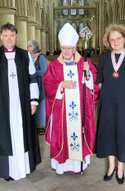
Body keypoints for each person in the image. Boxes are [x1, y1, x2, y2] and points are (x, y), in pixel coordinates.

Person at [0, 23, 41, 181]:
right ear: (1, 37)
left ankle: (24, 167)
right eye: (6, 35)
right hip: (2, 106)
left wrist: (33, 100)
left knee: (23, 133)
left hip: (22, 104)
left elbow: (32, 78)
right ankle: (7, 170)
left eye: (12, 35)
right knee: (4, 135)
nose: (9, 38)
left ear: (17, 37)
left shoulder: (24, 55)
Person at [42, 23, 99, 175]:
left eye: (69, 48)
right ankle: (61, 165)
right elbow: (47, 83)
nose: (66, 51)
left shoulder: (84, 63)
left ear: (75, 48)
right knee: (62, 136)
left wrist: (88, 74)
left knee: (77, 135)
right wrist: (61, 84)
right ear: (60, 48)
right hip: (61, 111)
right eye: (64, 48)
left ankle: (77, 164)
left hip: (79, 110)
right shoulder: (54, 66)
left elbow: (95, 83)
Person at [95, 25, 125, 185]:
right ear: (108, 42)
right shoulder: (105, 59)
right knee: (108, 134)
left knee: (121, 133)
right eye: (111, 39)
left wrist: (124, 100)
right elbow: (100, 81)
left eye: (118, 38)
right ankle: (111, 166)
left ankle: (120, 167)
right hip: (107, 104)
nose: (115, 42)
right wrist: (110, 97)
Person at [27, 40, 47, 135]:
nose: (27, 48)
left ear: (33, 47)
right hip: (34, 86)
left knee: (41, 106)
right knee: (36, 106)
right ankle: (37, 126)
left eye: (28, 46)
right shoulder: (31, 58)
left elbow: (44, 72)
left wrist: (32, 72)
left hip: (41, 86)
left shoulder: (41, 57)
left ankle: (42, 126)